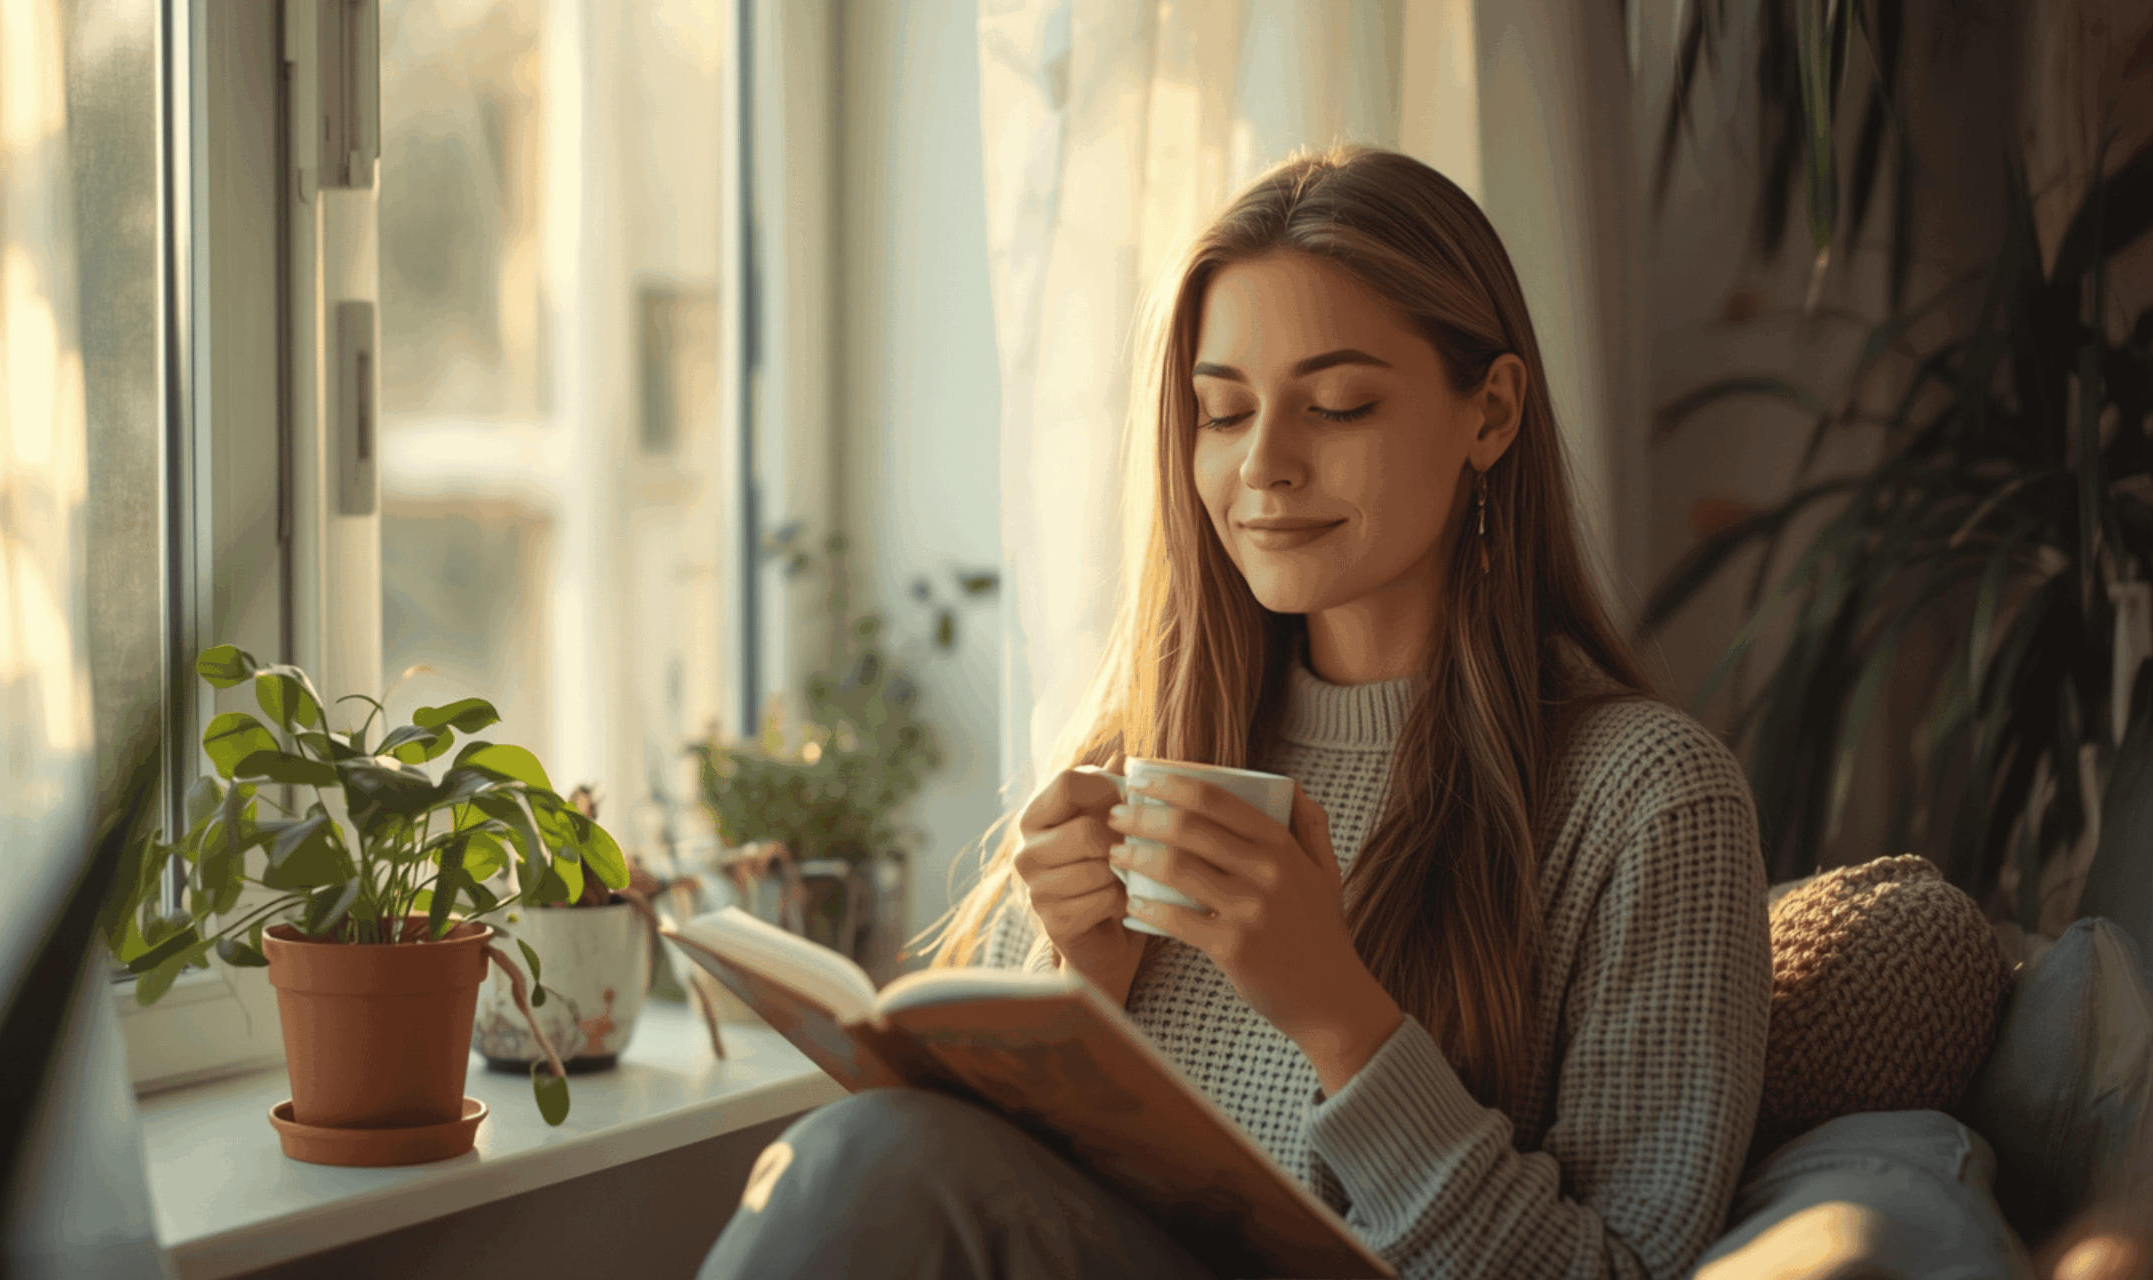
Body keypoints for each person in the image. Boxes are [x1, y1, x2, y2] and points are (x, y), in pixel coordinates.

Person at [699, 146, 1772, 1279]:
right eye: (1221, 411)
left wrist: (1337, 1012)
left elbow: (1626, 1268)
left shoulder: (1650, 798)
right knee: (869, 1148)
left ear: (1491, 413)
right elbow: (991, 1194)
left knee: (869, 1155)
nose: (1263, 464)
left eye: (1337, 404)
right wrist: (1081, 989)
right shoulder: (1146, 748)